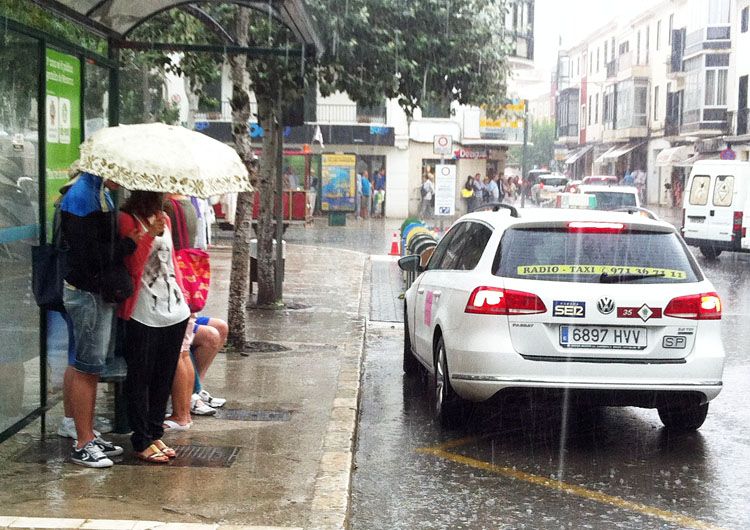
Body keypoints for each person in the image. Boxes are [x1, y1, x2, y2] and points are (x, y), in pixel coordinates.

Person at [59, 171, 136, 467]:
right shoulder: (83, 197)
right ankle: (82, 442)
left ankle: (87, 433)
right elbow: (92, 254)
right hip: (87, 293)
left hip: (96, 292)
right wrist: (129, 243)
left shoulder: (98, 193)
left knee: (92, 365)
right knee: (87, 366)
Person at [118, 191, 191, 463]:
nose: (165, 197)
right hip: (142, 310)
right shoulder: (127, 220)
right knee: (141, 376)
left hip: (174, 309)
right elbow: (132, 265)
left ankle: (155, 431)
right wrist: (149, 233)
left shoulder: (165, 219)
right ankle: (141, 438)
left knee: (164, 375)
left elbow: (172, 265)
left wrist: (185, 298)